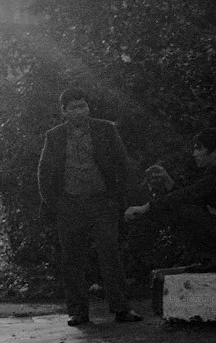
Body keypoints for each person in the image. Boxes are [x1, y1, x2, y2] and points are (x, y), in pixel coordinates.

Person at [37, 88, 143, 326]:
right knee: (72, 258)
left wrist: (118, 199)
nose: (81, 111)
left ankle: (121, 308)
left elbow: (122, 164)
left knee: (110, 253)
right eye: (74, 107)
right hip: (70, 204)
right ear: (64, 111)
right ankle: (78, 312)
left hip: (101, 201)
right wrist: (55, 203)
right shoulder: (55, 136)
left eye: (83, 106)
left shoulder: (105, 129)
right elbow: (44, 172)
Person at [125, 128, 216, 266]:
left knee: (181, 211)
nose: (194, 154)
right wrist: (167, 179)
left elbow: (188, 195)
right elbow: (190, 196)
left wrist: (146, 207)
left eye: (199, 149)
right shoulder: (210, 172)